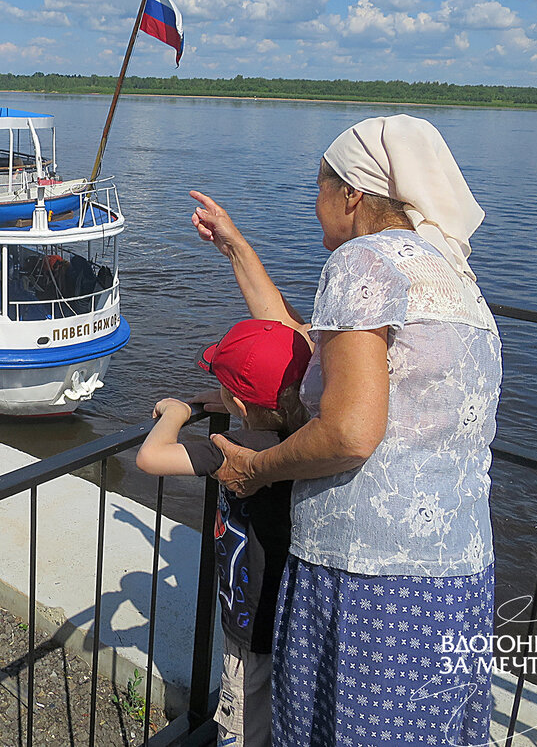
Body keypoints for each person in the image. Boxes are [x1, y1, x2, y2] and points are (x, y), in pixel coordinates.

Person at [190, 114, 501, 747]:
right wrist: (236, 247)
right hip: (459, 574)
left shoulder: (364, 262)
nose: (315, 206)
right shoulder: (451, 273)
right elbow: (306, 353)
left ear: (353, 195)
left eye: (321, 188)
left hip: (371, 580)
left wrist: (255, 469)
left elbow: (351, 431)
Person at [137, 319, 311, 747]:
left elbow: (151, 457)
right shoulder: (306, 437)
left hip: (248, 619)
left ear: (236, 398)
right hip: (292, 613)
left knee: (241, 723)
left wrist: (177, 414)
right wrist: (229, 400)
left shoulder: (234, 448)